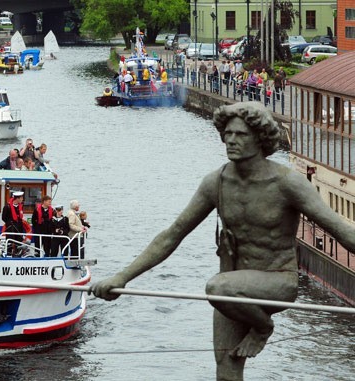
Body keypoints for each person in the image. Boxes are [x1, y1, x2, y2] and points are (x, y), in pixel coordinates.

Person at [91, 101, 355, 381]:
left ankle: (263, 328)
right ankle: (256, 328)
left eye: (240, 135)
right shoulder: (215, 183)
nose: (231, 140)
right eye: (227, 133)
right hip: (231, 292)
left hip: (275, 281)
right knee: (226, 369)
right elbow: (172, 235)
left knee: (217, 286)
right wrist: (122, 277)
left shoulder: (287, 183)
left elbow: (341, 230)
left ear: (260, 138)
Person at [2, 190, 26, 256]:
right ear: (17, 198)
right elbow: (4, 217)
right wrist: (9, 223)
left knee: (19, 243)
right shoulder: (7, 207)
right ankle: (9, 255)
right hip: (11, 228)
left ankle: (18, 255)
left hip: (19, 227)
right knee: (9, 242)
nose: (22, 199)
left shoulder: (20, 207)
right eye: (21, 198)